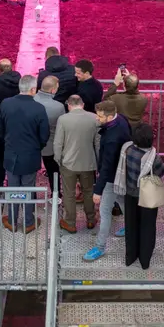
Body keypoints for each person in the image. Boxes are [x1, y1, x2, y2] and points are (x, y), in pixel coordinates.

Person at [0, 74, 49, 233]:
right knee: (28, 188)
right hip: (30, 155)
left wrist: (7, 142)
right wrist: (37, 147)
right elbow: (44, 135)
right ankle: (28, 222)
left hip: (11, 153)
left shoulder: (6, 104)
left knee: (13, 188)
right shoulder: (39, 108)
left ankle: (12, 221)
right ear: (33, 89)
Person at [84, 100, 132, 262]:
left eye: (100, 116)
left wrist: (98, 190)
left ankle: (100, 247)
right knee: (122, 201)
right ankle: (131, 226)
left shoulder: (111, 138)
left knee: (104, 212)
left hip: (111, 178)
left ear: (110, 117)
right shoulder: (122, 119)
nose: (97, 118)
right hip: (122, 173)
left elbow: (106, 166)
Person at [114, 124, 164, 269]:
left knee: (131, 225)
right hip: (147, 196)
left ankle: (130, 256)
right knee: (147, 226)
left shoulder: (128, 150)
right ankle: (145, 259)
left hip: (130, 193)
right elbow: (161, 172)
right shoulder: (154, 157)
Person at [53, 95, 99, 233]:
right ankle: (91, 219)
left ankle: (70, 222)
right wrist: (98, 161)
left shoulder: (63, 119)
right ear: (82, 104)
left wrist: (58, 159)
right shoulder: (94, 118)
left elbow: (58, 143)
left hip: (68, 163)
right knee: (88, 191)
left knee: (69, 193)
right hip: (88, 162)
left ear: (69, 105)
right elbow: (97, 143)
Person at [34, 76, 66, 186]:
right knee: (53, 172)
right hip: (50, 146)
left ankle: (32, 195)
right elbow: (61, 127)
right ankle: (55, 193)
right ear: (53, 90)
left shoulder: (31, 101)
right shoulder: (58, 107)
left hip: (31, 144)